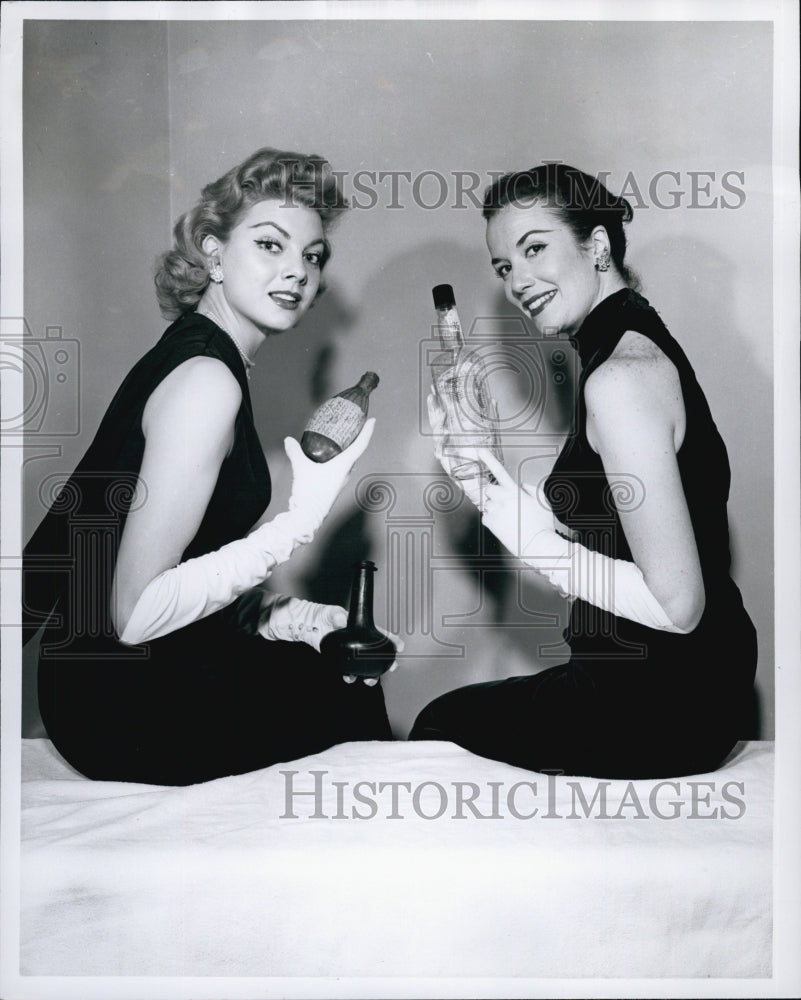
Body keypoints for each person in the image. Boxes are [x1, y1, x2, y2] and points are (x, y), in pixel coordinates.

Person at [23, 147, 395, 786]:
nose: (296, 272)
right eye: (270, 245)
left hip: (104, 682)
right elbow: (136, 613)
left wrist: (287, 618)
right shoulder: (207, 381)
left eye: (311, 256)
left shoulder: (198, 357)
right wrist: (298, 521)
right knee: (348, 691)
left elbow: (174, 565)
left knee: (333, 663)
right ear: (214, 253)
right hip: (118, 706)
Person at [411, 163, 757, 779]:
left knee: (439, 722)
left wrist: (518, 528)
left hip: (659, 702)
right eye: (503, 266)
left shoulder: (621, 377)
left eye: (534, 248)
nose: (518, 280)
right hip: (678, 684)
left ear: (596, 244)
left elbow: (677, 606)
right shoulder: (623, 346)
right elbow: (611, 530)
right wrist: (480, 471)